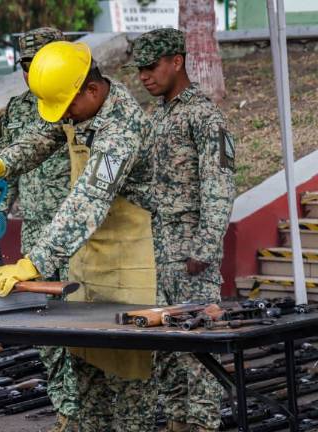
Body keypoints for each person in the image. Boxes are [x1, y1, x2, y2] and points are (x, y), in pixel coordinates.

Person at [0, 41, 157, 431]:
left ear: (92, 89)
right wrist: (0, 165)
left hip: (130, 273)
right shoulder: (80, 104)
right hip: (88, 267)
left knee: (131, 396)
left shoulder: (121, 130)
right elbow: (43, 136)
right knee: (88, 392)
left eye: (68, 107)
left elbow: (89, 199)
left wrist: (33, 262)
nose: (64, 115)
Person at [127, 28, 235, 432]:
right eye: (139, 70)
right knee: (167, 353)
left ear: (177, 61)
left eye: (151, 67)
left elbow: (219, 184)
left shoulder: (204, 115)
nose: (144, 77)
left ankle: (203, 427)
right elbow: (158, 189)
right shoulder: (161, 117)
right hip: (160, 255)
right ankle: (176, 425)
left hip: (191, 254)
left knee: (198, 355)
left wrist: (204, 250)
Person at [0, 27, 79, 431]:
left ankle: (89, 414)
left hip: (79, 235)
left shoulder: (77, 102)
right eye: (26, 65)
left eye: (38, 62)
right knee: (46, 327)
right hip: (35, 236)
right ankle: (65, 413)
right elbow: (6, 173)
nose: (32, 73)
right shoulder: (15, 111)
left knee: (85, 326)